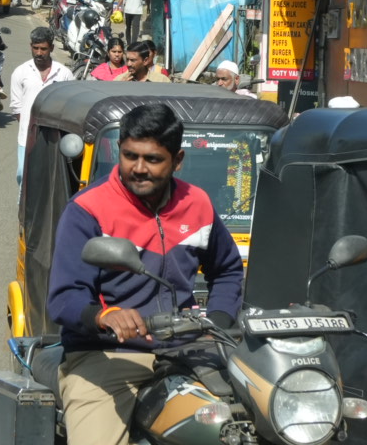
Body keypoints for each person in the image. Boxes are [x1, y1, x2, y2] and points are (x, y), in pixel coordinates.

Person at [47, 103, 244, 445]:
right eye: (130, 156)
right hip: (107, 355)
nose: (138, 168)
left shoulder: (197, 203)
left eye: (152, 159)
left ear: (177, 160)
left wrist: (218, 322)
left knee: (256, 418)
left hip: (188, 348)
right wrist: (105, 316)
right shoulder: (88, 209)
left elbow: (227, 269)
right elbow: (64, 297)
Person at [8, 27, 74, 184]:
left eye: (43, 49)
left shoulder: (64, 73)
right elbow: (17, 107)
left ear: (51, 48)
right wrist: (30, 129)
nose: (39, 53)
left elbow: (70, 106)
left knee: (50, 179)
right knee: (23, 175)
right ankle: (23, 201)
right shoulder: (20, 72)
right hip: (27, 137)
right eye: (35, 48)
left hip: (55, 137)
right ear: (30, 46)